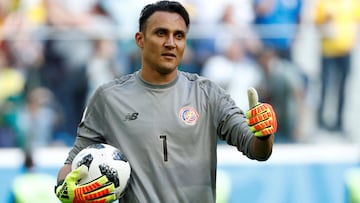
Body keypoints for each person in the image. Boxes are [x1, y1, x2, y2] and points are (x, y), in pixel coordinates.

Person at [54, 1, 278, 203]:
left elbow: (257, 150)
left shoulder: (207, 94)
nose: (171, 43)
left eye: (179, 35)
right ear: (140, 40)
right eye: (161, 33)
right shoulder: (108, 98)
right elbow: (70, 168)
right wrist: (67, 192)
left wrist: (264, 133)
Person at [313, 0, 360, 133]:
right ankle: (321, 120)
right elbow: (316, 22)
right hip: (328, 50)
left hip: (346, 50)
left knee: (343, 87)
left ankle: (340, 121)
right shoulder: (324, 2)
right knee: (325, 86)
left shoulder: (353, 2)